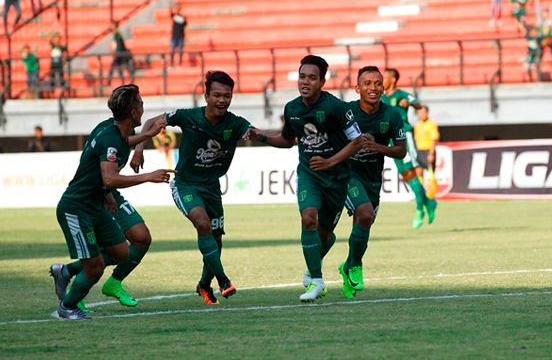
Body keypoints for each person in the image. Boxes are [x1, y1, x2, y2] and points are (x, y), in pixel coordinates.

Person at [246, 55, 364, 302]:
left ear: (322, 82)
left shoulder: (337, 108)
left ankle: (312, 268)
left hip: (337, 178)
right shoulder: (292, 109)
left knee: (325, 234)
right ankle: (318, 281)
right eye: (302, 76)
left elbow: (357, 140)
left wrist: (331, 161)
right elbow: (288, 140)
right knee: (308, 217)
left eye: (312, 78)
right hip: (309, 174)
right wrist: (263, 137)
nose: (305, 82)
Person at [49, 85, 172, 320]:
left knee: (120, 251)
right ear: (134, 112)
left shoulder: (110, 128)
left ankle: (65, 272)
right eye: (141, 103)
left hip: (98, 202)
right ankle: (67, 306)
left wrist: (146, 136)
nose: (143, 107)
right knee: (94, 267)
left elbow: (110, 153)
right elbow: (109, 176)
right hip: (77, 207)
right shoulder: (110, 136)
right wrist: (148, 176)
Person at [132, 71, 254, 306]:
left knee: (216, 239)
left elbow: (259, 133)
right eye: (217, 95)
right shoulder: (188, 117)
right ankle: (223, 280)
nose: (222, 100)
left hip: (211, 187)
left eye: (227, 96)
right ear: (206, 95)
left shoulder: (235, 123)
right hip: (185, 183)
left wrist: (276, 136)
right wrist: (138, 149)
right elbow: (150, 122)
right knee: (202, 223)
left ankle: (203, 285)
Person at [327, 66, 406, 299]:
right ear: (357, 87)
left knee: (364, 223)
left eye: (377, 83)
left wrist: (376, 147)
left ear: (384, 87)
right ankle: (355, 266)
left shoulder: (391, 115)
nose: (373, 87)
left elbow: (401, 151)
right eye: (368, 83)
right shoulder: (346, 112)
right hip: (348, 175)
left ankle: (348, 265)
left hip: (373, 179)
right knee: (365, 214)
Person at [382, 67, 437, 228]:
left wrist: (409, 104)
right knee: (406, 175)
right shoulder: (383, 98)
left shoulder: (401, 95)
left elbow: (418, 105)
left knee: (412, 172)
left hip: (404, 137)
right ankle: (429, 202)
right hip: (392, 140)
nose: (383, 80)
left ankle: (420, 209)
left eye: (385, 78)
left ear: (392, 79)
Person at [169, 2, 187, 67]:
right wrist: (171, 6)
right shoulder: (174, 16)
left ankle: (180, 63)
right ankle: (171, 63)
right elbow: (171, 12)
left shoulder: (182, 18)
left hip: (181, 36)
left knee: (180, 51)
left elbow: (185, 24)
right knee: (172, 51)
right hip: (174, 36)